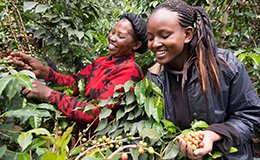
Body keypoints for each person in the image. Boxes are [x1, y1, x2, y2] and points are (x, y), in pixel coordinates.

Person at [146, 0, 260, 159]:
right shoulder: (154, 76)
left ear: (187, 34)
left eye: (164, 35)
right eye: (150, 38)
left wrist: (213, 135)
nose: (155, 44)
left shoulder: (224, 66)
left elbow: (252, 116)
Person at [11, 12, 148, 126]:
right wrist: (44, 72)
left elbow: (96, 115)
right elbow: (76, 83)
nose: (112, 38)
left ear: (135, 45)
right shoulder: (101, 61)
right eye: (113, 32)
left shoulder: (130, 71)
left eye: (121, 36)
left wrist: (48, 94)